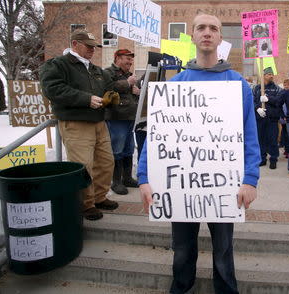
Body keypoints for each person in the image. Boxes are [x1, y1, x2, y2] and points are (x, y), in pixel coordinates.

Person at [137, 14, 261, 294]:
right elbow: (155, 137)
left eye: (213, 28)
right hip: (180, 187)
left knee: (224, 251)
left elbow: (250, 138)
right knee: (181, 249)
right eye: (201, 28)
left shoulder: (238, 84)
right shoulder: (173, 85)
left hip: (225, 187)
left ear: (220, 37)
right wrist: (144, 177)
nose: (207, 32)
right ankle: (181, 288)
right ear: (192, 35)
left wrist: (251, 179)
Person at [40, 29, 118, 221]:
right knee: (83, 166)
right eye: (88, 46)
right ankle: (86, 204)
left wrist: (112, 96)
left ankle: (99, 197)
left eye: (94, 47)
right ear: (75, 44)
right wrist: (86, 99)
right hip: (76, 123)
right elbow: (53, 88)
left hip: (99, 122)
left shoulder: (95, 69)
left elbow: (110, 86)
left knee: (106, 162)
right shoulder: (58, 64)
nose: (92, 50)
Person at [104, 49, 140, 195]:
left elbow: (127, 94)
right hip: (117, 118)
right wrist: (127, 83)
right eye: (127, 59)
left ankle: (127, 178)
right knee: (117, 149)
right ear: (117, 58)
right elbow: (107, 88)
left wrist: (135, 91)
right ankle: (116, 181)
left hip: (129, 118)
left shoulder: (128, 75)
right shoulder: (108, 72)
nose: (130, 62)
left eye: (131, 60)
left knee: (128, 149)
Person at [254, 67, 284, 169]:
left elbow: (279, 101)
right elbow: (252, 101)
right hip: (260, 118)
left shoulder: (277, 88)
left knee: (272, 140)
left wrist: (268, 99)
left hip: (272, 118)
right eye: (268, 74)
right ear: (264, 76)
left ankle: (273, 159)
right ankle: (262, 158)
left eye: (272, 74)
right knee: (260, 139)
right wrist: (258, 108)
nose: (271, 76)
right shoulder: (257, 88)